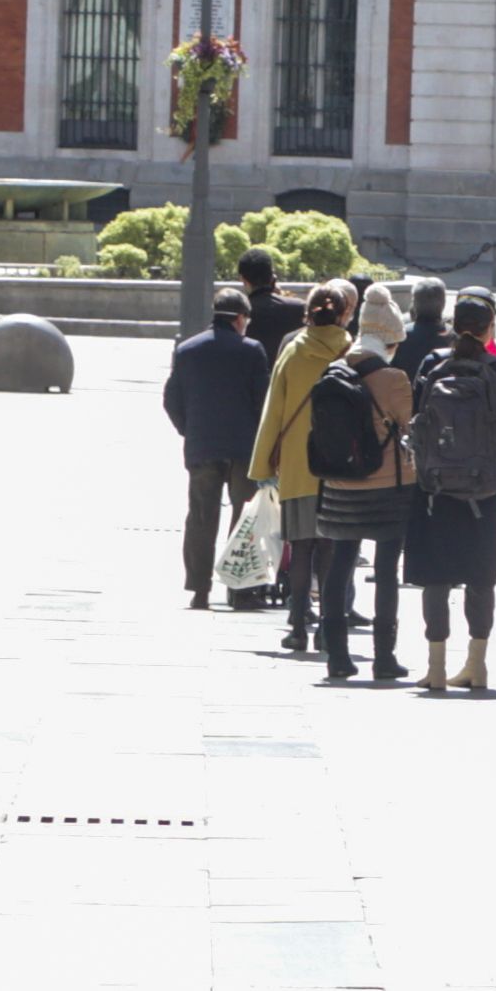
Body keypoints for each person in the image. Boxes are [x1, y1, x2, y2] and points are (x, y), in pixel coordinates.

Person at [403, 291, 496, 693]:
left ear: (453, 325)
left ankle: (435, 667)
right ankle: (476, 664)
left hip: (435, 487)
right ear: (489, 330)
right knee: (480, 575)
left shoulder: (433, 364)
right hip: (485, 490)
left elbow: (417, 425)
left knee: (436, 575)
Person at [306, 309, 420, 689]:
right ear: (390, 341)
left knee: (340, 563)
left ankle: (337, 655)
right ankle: (384, 657)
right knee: (386, 570)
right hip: (387, 488)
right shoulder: (394, 378)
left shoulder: (334, 370)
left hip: (339, 484)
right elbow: (408, 423)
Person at [254, 286, 355, 654]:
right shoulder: (351, 351)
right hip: (339, 464)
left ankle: (297, 624)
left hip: (299, 463)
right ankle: (328, 629)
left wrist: (263, 461)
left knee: (300, 547)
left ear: (307, 314)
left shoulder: (293, 352)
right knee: (330, 548)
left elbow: (274, 410)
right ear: (344, 314)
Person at [164, 288, 273, 609]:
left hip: (203, 447)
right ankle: (239, 589)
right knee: (245, 518)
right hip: (243, 449)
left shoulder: (187, 350)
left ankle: (199, 589)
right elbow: (261, 402)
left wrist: (189, 429)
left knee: (201, 516)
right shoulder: (252, 351)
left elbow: (171, 400)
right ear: (240, 319)